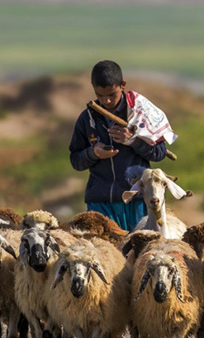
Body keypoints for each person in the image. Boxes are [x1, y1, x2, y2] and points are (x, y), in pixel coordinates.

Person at [69, 60, 173, 232]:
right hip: (100, 205)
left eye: (112, 94)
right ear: (92, 87)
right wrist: (93, 153)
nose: (106, 100)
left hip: (138, 201)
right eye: (100, 95)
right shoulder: (86, 119)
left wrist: (133, 141)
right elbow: (75, 160)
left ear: (123, 85)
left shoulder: (141, 113)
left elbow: (159, 153)